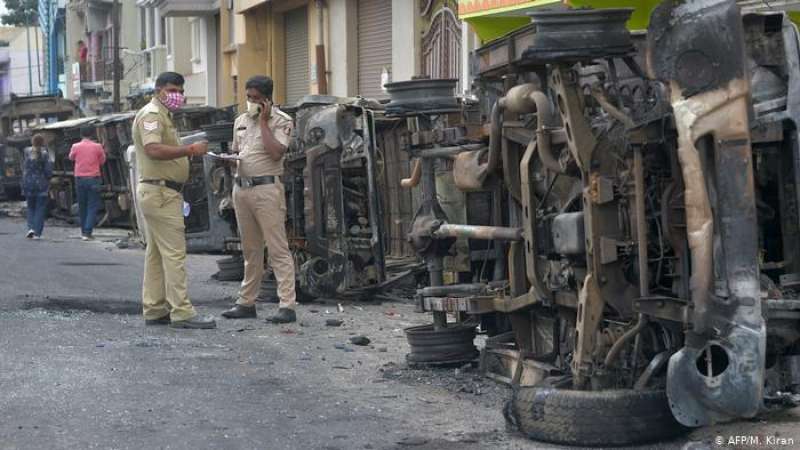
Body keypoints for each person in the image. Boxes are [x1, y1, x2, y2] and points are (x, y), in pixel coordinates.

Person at [132, 71, 215, 329]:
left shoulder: (164, 116)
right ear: (158, 90)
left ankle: (155, 309)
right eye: (171, 90)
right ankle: (182, 312)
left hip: (161, 193)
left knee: (156, 254)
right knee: (174, 254)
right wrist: (189, 150)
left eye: (180, 91)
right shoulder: (152, 115)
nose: (176, 95)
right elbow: (153, 149)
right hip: (161, 194)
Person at [221, 75, 297, 324]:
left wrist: (264, 122)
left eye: (255, 98)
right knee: (251, 250)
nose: (250, 102)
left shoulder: (281, 121)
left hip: (266, 190)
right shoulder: (240, 121)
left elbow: (276, 153)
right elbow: (237, 151)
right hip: (241, 189)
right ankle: (246, 302)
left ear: (266, 99)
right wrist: (228, 160)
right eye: (248, 97)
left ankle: (287, 305)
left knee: (277, 248)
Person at [69, 126, 106, 240]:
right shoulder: (97, 147)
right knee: (92, 205)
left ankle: (83, 231)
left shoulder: (75, 146)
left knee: (82, 205)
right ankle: (88, 232)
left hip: (79, 178)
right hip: (93, 178)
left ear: (81, 134)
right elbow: (102, 161)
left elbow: (71, 157)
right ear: (92, 134)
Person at [21, 135, 52, 240]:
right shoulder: (45, 154)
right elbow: (48, 171)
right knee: (40, 208)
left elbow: (24, 166)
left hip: (28, 183)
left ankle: (30, 228)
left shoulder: (26, 151)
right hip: (41, 185)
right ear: (42, 142)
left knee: (30, 207)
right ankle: (37, 233)